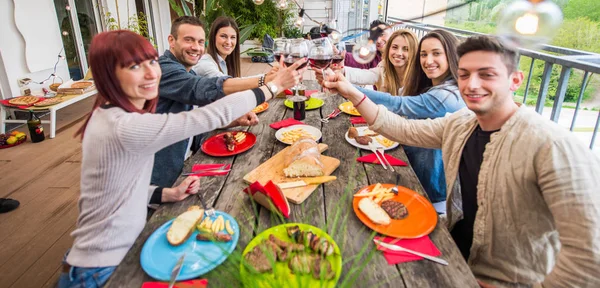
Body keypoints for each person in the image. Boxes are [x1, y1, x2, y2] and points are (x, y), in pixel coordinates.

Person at [323, 35, 600, 287]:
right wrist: (352, 93)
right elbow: (402, 129)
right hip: (454, 249)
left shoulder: (554, 146)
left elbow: (590, 260)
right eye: (464, 74)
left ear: (515, 80)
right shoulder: (462, 123)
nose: (472, 84)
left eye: (487, 74)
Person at [57, 30, 301, 288]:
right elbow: (206, 117)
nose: (152, 73)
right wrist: (273, 87)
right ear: (108, 75)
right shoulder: (123, 125)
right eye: (134, 66)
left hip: (114, 256)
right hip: (100, 272)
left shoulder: (111, 115)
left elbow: (120, 188)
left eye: (152, 61)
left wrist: (165, 194)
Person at [152, 16, 296, 189]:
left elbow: (196, 119)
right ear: (171, 40)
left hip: (191, 163)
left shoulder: (188, 71)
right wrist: (268, 82)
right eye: (188, 40)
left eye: (199, 42)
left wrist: (233, 121)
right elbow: (201, 88)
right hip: (166, 179)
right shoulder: (164, 69)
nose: (196, 47)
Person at [327, 30, 464, 207]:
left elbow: (399, 106)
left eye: (436, 53)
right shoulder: (426, 81)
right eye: (424, 54)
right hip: (409, 166)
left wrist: (349, 90)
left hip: (432, 188)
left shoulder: (447, 96)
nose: (428, 61)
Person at [325, 29, 418, 95]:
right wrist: (339, 72)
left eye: (406, 49)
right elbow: (362, 74)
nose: (398, 53)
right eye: (395, 47)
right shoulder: (383, 68)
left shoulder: (419, 78)